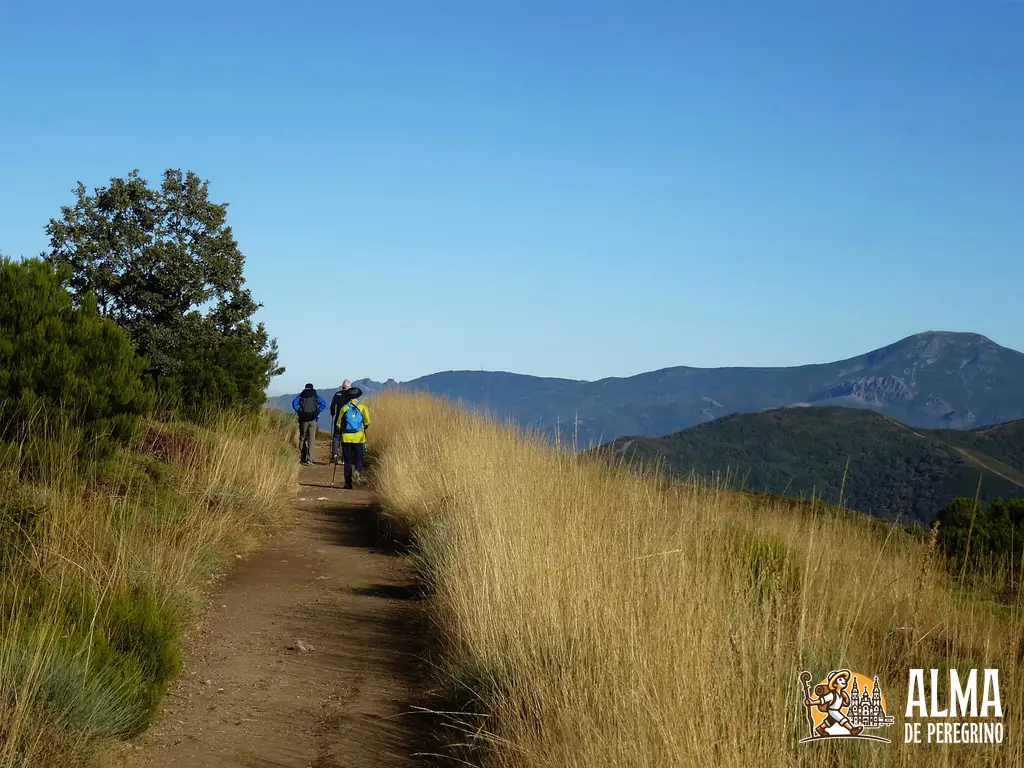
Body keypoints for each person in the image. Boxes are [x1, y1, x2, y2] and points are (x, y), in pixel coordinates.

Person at [335, 390, 370, 489]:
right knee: (359, 458)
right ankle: (357, 471)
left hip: (346, 438)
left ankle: (348, 483)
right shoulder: (363, 407)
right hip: (359, 438)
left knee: (347, 461)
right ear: (358, 397)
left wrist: (341, 430)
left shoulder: (344, 408)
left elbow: (338, 423)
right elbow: (367, 422)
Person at [292, 383, 326, 466]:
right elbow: (323, 404)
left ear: (305, 388)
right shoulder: (315, 396)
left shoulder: (301, 395)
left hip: (303, 420)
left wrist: (299, 411)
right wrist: (317, 411)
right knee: (311, 439)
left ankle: (302, 458)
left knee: (302, 438)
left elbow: (294, 403)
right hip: (313, 420)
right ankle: (310, 459)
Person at [329, 379, 354, 464]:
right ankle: (344, 458)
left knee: (336, 437)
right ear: (349, 387)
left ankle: (334, 455)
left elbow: (332, 406)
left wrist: (333, 413)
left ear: (342, 386)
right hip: (349, 420)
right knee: (345, 438)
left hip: (338, 419)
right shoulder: (351, 395)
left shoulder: (337, 394)